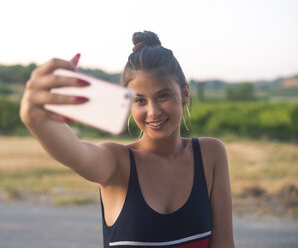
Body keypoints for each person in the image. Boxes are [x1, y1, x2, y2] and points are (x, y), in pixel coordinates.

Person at [20, 31, 235, 248]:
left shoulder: (210, 154)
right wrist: (35, 118)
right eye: (140, 100)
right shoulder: (117, 162)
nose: (154, 111)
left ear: (185, 93)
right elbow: (77, 154)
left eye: (164, 95)